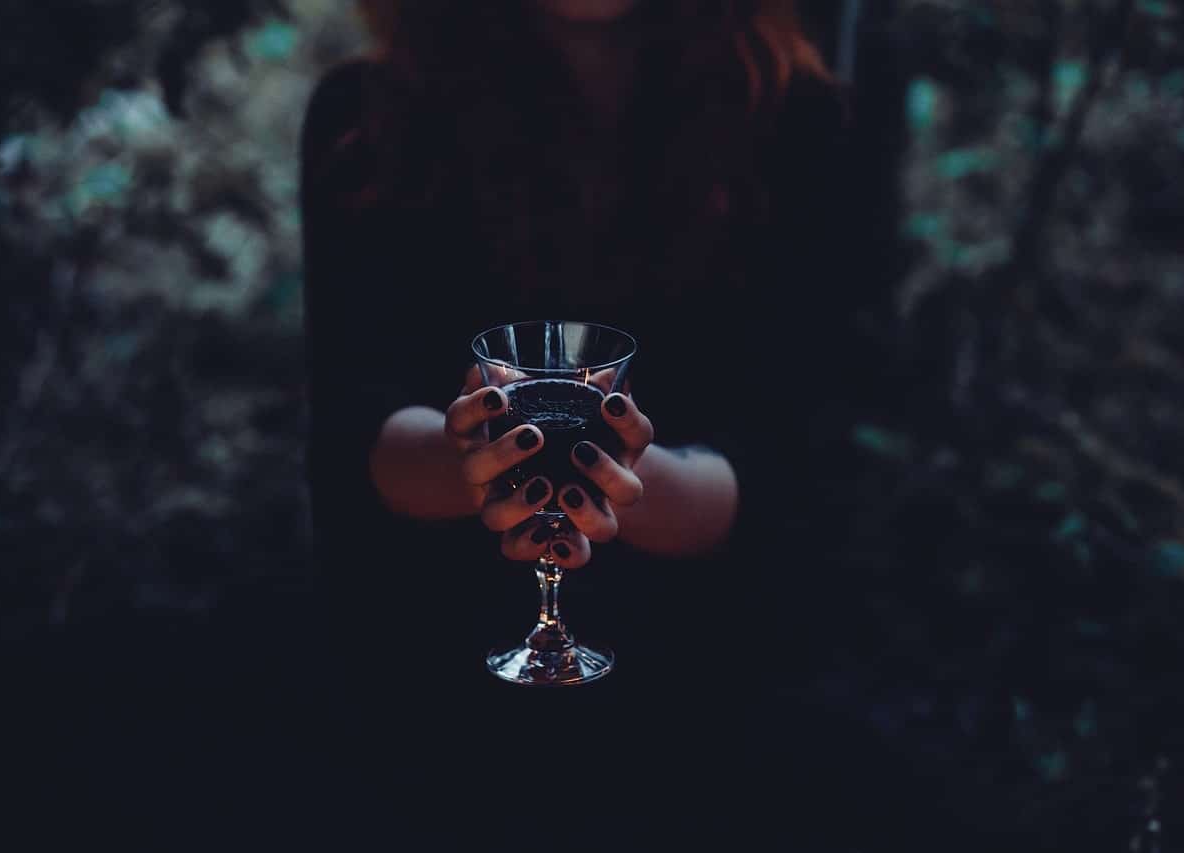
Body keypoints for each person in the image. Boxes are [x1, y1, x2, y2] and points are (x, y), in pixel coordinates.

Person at [301, 0, 921, 846]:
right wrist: (467, 464)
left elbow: (797, 456)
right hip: (431, 679)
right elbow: (349, 431)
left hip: (707, 689)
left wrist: (638, 488)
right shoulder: (364, 119)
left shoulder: (805, 123)